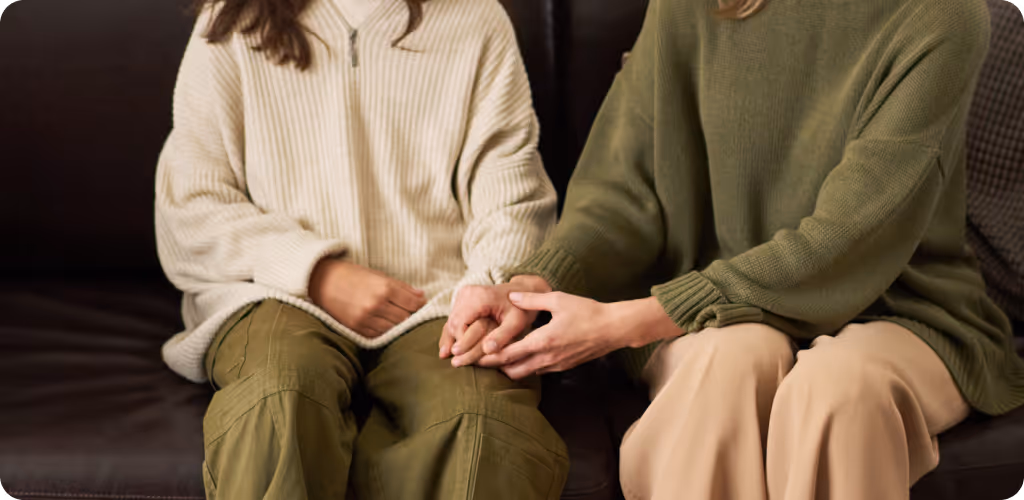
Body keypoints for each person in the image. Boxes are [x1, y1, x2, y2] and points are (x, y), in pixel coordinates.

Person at [443, 0, 1024, 497]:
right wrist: (537, 285)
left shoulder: (942, 15)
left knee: (840, 393)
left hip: (904, 312)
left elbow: (850, 237)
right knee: (728, 364)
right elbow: (625, 192)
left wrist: (631, 321)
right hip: (709, 319)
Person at [154, 0, 569, 497]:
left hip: (443, 303)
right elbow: (191, 208)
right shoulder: (230, 24)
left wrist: (490, 287)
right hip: (275, 297)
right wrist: (315, 273)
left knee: (483, 423)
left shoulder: (477, 18)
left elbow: (512, 194)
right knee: (278, 396)